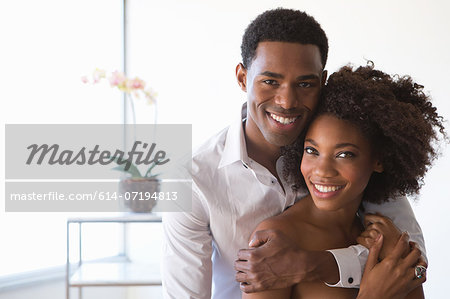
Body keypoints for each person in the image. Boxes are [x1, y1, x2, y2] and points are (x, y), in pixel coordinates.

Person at [162, 8, 427, 299]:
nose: (286, 101)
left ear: (322, 82)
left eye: (304, 84)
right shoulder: (190, 181)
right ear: (242, 78)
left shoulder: (348, 148)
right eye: (270, 81)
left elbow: (413, 263)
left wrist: (310, 264)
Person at [241, 64, 446, 298]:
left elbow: (419, 272)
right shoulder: (278, 239)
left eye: (344, 154)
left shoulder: (384, 235)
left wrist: (399, 258)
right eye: (312, 151)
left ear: (378, 160)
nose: (323, 171)